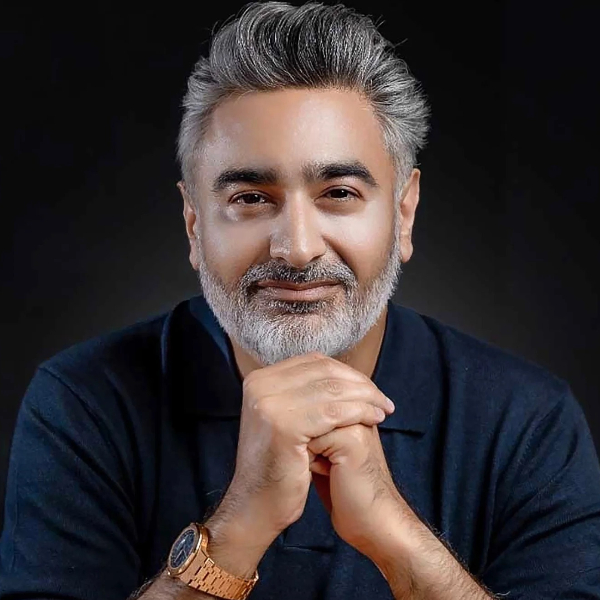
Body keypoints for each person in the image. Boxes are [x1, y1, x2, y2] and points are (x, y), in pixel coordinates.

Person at [1, 1, 599, 599]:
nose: (297, 248)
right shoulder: (82, 403)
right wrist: (239, 524)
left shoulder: (528, 421)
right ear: (193, 223)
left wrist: (399, 539)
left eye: (338, 192)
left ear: (404, 213)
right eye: (250, 198)